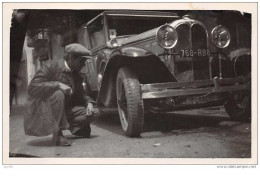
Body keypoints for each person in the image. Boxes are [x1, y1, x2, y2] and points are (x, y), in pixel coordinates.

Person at [24, 43, 100, 146]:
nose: (83, 64)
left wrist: (89, 103)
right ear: (71, 58)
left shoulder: (76, 74)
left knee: (95, 111)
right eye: (81, 61)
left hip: (63, 111)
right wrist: (57, 84)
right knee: (58, 94)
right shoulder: (51, 66)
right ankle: (57, 135)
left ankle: (73, 127)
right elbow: (32, 87)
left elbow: (81, 94)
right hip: (44, 111)